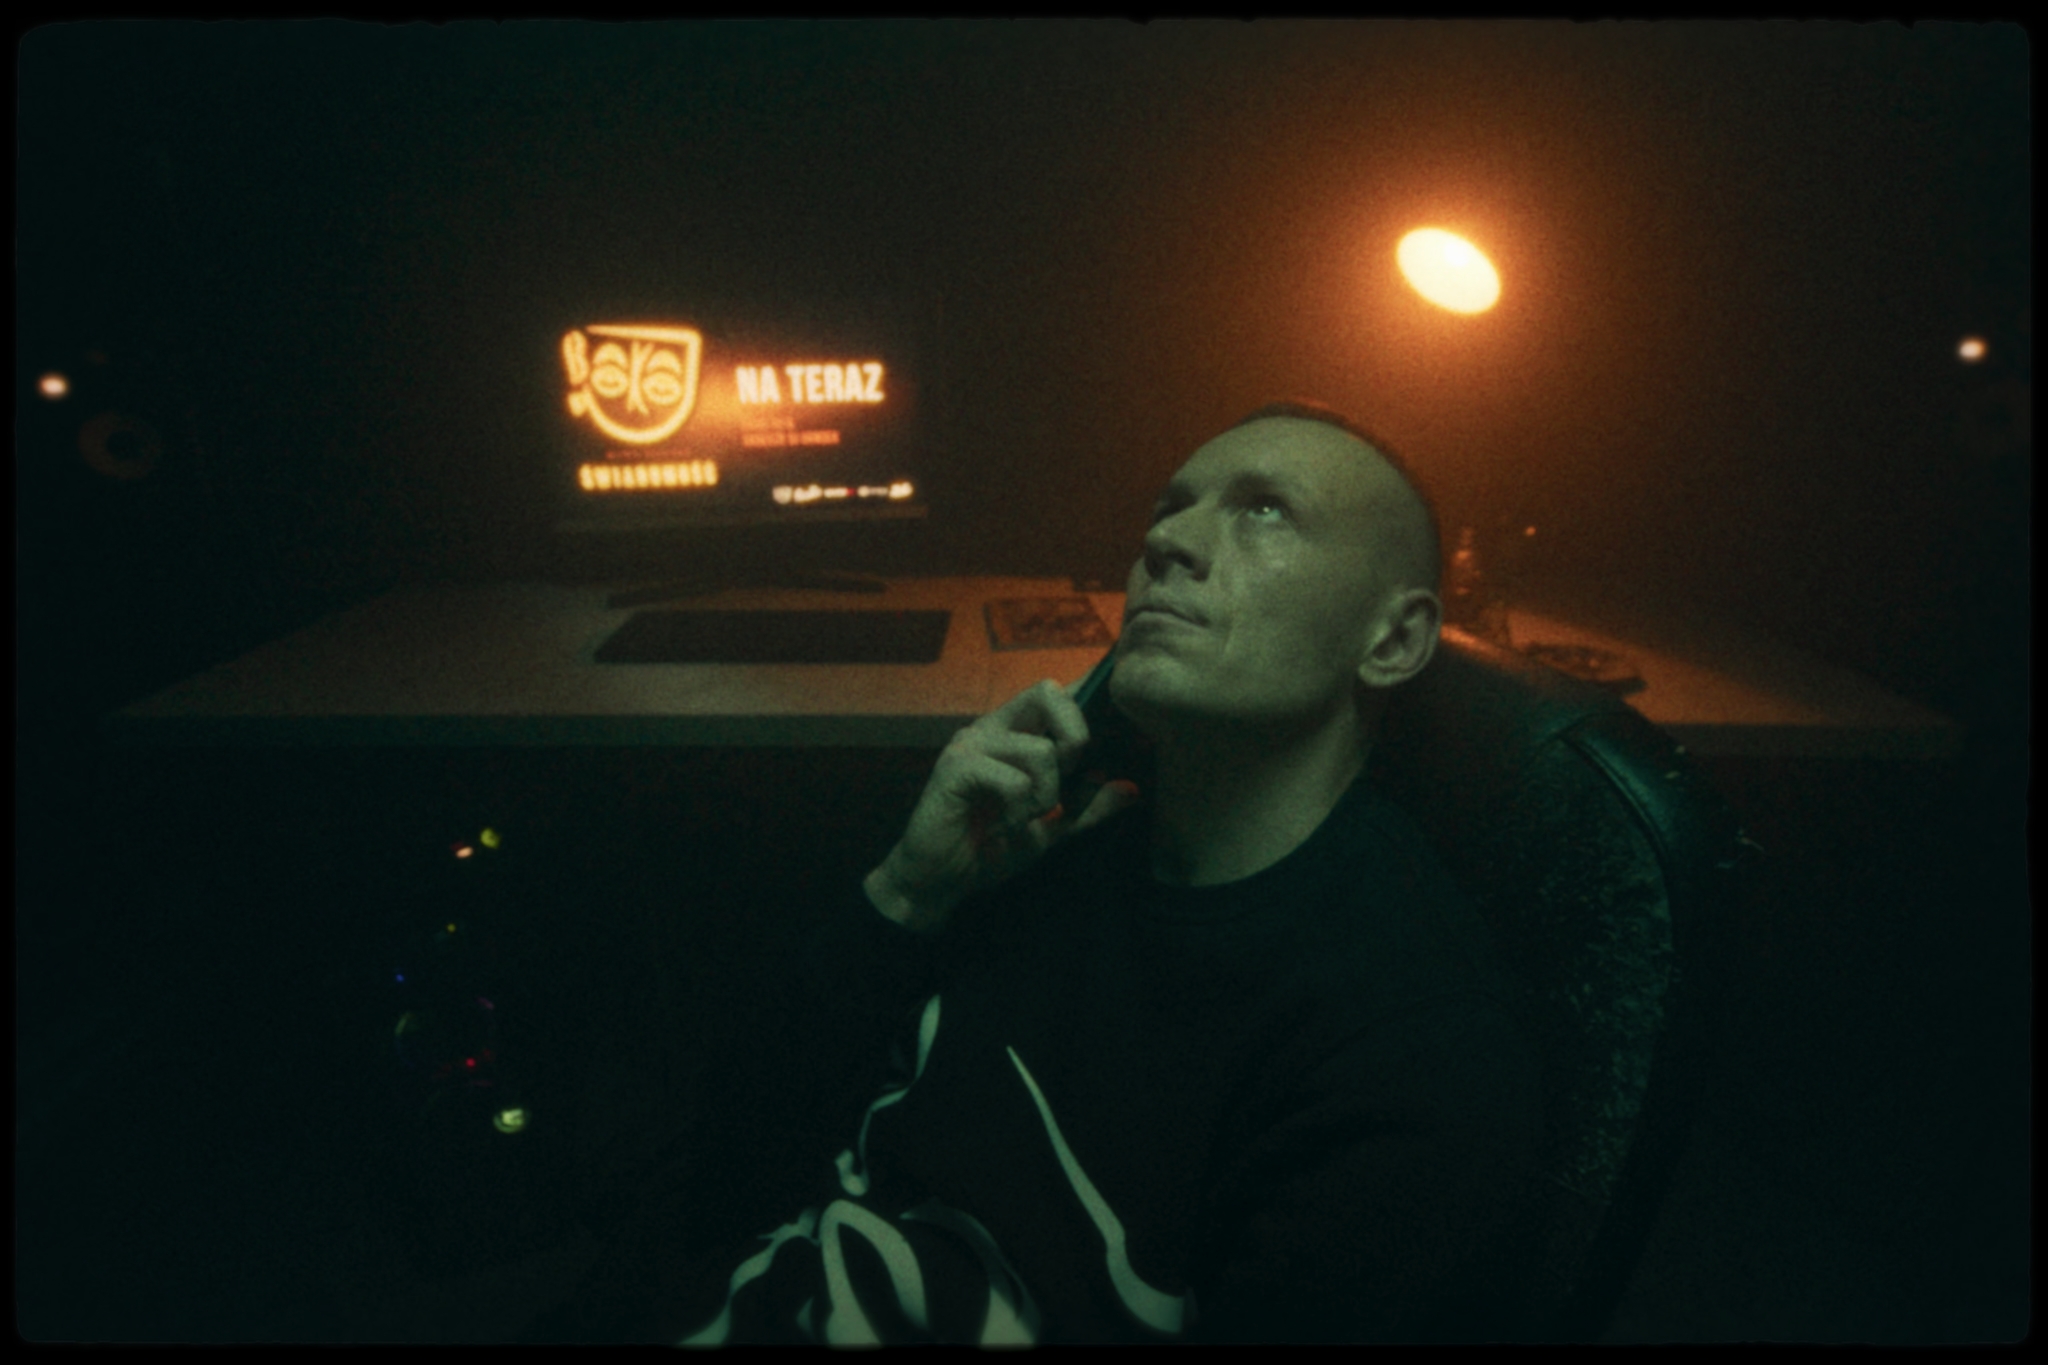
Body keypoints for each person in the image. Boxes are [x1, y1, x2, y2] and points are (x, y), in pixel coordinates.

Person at [537, 402, 1545, 1344]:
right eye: (1171, 506)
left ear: (1392, 639)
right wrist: (905, 895)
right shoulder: (1053, 854)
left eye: (1265, 511)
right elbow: (729, 1167)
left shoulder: (1408, 1053)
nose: (1167, 540)